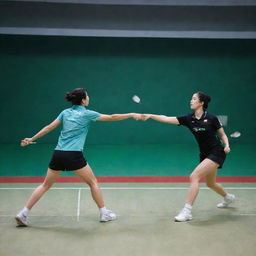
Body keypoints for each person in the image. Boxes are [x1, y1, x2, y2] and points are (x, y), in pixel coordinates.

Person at [15, 88, 141, 226]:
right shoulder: (87, 114)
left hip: (58, 153)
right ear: (83, 100)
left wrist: (31, 138)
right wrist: (131, 114)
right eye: (87, 96)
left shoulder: (65, 112)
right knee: (93, 182)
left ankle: (23, 213)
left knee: (45, 185)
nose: (89, 98)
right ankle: (104, 213)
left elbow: (48, 127)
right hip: (74, 154)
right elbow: (112, 117)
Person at [141, 92, 235, 222]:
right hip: (204, 154)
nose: (191, 101)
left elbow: (223, 134)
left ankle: (187, 211)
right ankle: (228, 197)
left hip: (217, 152)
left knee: (194, 176)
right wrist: (151, 115)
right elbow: (167, 118)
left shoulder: (212, 118)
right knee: (210, 183)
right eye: (191, 99)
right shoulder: (188, 119)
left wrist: (227, 145)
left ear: (201, 103)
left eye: (194, 99)